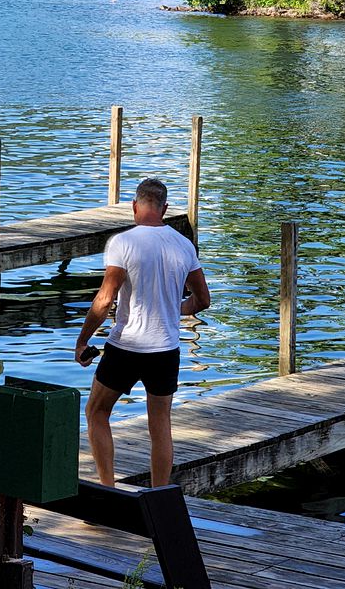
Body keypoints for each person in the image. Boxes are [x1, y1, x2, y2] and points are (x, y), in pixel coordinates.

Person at [75, 177, 211, 489]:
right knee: (160, 424)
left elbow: (105, 298)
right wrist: (174, 309)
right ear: (164, 209)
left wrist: (83, 340)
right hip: (165, 349)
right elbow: (202, 300)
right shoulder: (184, 245)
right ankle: (160, 495)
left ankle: (108, 489)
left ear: (135, 206)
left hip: (127, 346)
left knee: (96, 411)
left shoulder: (124, 243)